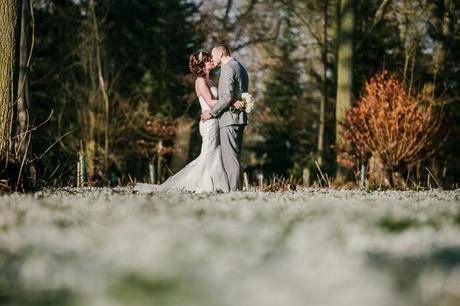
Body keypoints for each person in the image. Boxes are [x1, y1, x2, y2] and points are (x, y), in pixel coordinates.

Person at [135, 50, 241, 193]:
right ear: (201, 65)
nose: (211, 61)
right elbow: (210, 102)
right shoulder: (200, 81)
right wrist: (231, 103)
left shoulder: (211, 81)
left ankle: (219, 185)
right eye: (207, 60)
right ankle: (201, 185)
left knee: (216, 154)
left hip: (215, 119)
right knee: (208, 154)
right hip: (209, 123)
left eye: (210, 58)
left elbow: (219, 101)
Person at [201, 45, 249, 191]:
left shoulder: (227, 68)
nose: (212, 59)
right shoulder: (240, 67)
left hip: (229, 119)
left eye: (213, 56)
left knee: (230, 160)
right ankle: (237, 190)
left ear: (221, 53)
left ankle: (234, 193)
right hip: (239, 118)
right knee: (235, 157)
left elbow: (226, 97)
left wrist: (211, 112)